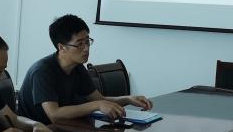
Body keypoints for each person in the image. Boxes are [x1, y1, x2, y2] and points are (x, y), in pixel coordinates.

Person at [17, 14, 152, 124]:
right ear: (62, 47)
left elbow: (100, 99)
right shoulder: (42, 71)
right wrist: (97, 105)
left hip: (63, 129)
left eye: (87, 41)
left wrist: (128, 99)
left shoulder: (77, 68)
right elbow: (54, 115)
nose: (86, 48)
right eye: (80, 44)